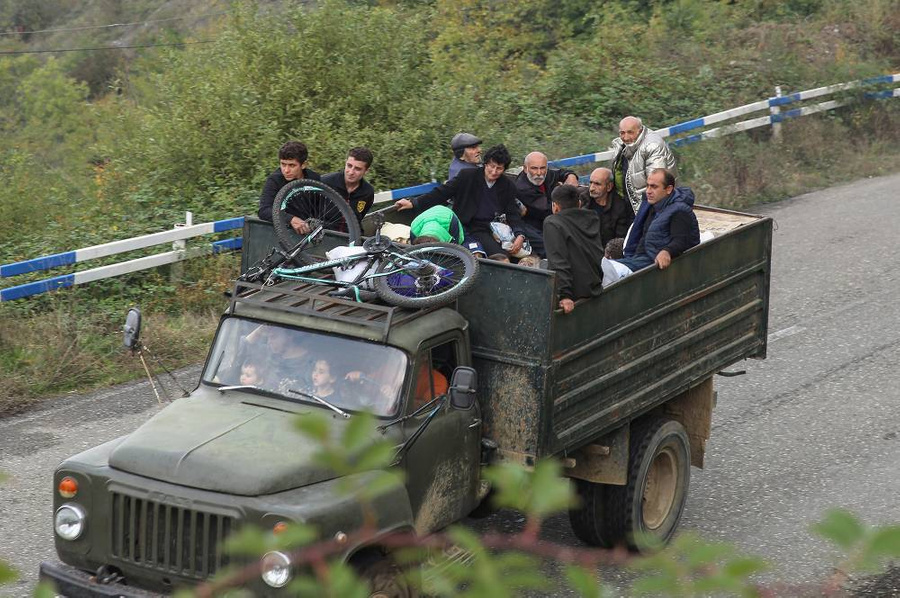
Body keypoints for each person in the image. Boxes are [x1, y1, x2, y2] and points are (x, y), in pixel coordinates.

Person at [395, 144, 527, 258]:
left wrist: (519, 234)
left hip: (489, 227)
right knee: (495, 257)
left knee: (504, 256)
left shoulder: (507, 185)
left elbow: (513, 213)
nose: (494, 172)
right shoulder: (467, 176)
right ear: (485, 163)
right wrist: (413, 202)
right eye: (491, 166)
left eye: (499, 169)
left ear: (504, 169)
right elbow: (442, 192)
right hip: (463, 225)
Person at [601, 169, 700, 287]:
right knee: (601, 266)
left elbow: (681, 240)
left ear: (668, 189)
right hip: (639, 259)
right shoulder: (653, 207)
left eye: (654, 187)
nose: (648, 191)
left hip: (651, 263)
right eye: (647, 186)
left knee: (608, 272)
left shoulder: (680, 211)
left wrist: (667, 251)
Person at [542, 185, 605, 314]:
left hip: (574, 292)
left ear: (555, 206)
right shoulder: (592, 217)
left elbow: (558, 261)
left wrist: (564, 295)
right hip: (595, 285)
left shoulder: (553, 223)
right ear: (579, 203)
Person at [513, 152, 578, 257]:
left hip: (552, 220)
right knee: (551, 246)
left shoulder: (545, 175)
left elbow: (559, 173)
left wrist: (570, 176)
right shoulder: (522, 188)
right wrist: (562, 191)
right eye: (534, 168)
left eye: (542, 168)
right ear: (525, 169)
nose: (539, 173)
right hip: (533, 225)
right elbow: (547, 209)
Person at [609, 116, 677, 212]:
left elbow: (657, 186)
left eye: (630, 132)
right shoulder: (621, 145)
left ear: (640, 131)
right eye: (622, 133)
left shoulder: (653, 146)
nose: (625, 137)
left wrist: (646, 215)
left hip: (651, 207)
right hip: (627, 205)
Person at [257, 141, 321, 222]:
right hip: (283, 230)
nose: (286, 170)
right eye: (283, 164)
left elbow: (323, 208)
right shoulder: (274, 180)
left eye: (292, 165)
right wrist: (290, 219)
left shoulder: (314, 178)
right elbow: (264, 210)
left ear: (304, 165)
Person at [321, 147, 376, 228]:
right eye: (349, 166)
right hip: (324, 235)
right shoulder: (325, 182)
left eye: (357, 169)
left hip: (352, 236)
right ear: (345, 163)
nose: (351, 172)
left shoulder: (368, 192)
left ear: (366, 171)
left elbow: (360, 216)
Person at [586, 167, 635, 248]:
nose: (591, 188)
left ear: (609, 186)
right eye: (590, 183)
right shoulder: (583, 199)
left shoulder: (620, 208)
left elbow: (619, 240)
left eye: (597, 184)